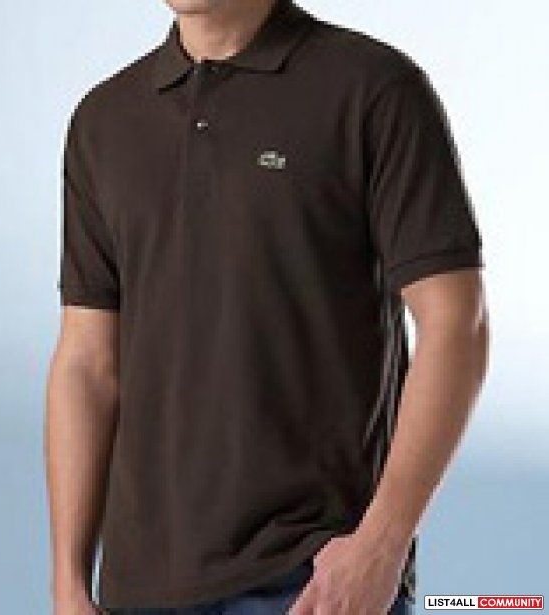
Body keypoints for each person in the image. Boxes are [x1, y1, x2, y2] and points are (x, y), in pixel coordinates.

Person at [45, 0, 490, 613]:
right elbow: (87, 364)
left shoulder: (371, 88)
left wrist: (381, 545)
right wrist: (68, 582)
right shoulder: (104, 121)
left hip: (309, 580)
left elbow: (456, 324)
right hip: (140, 589)